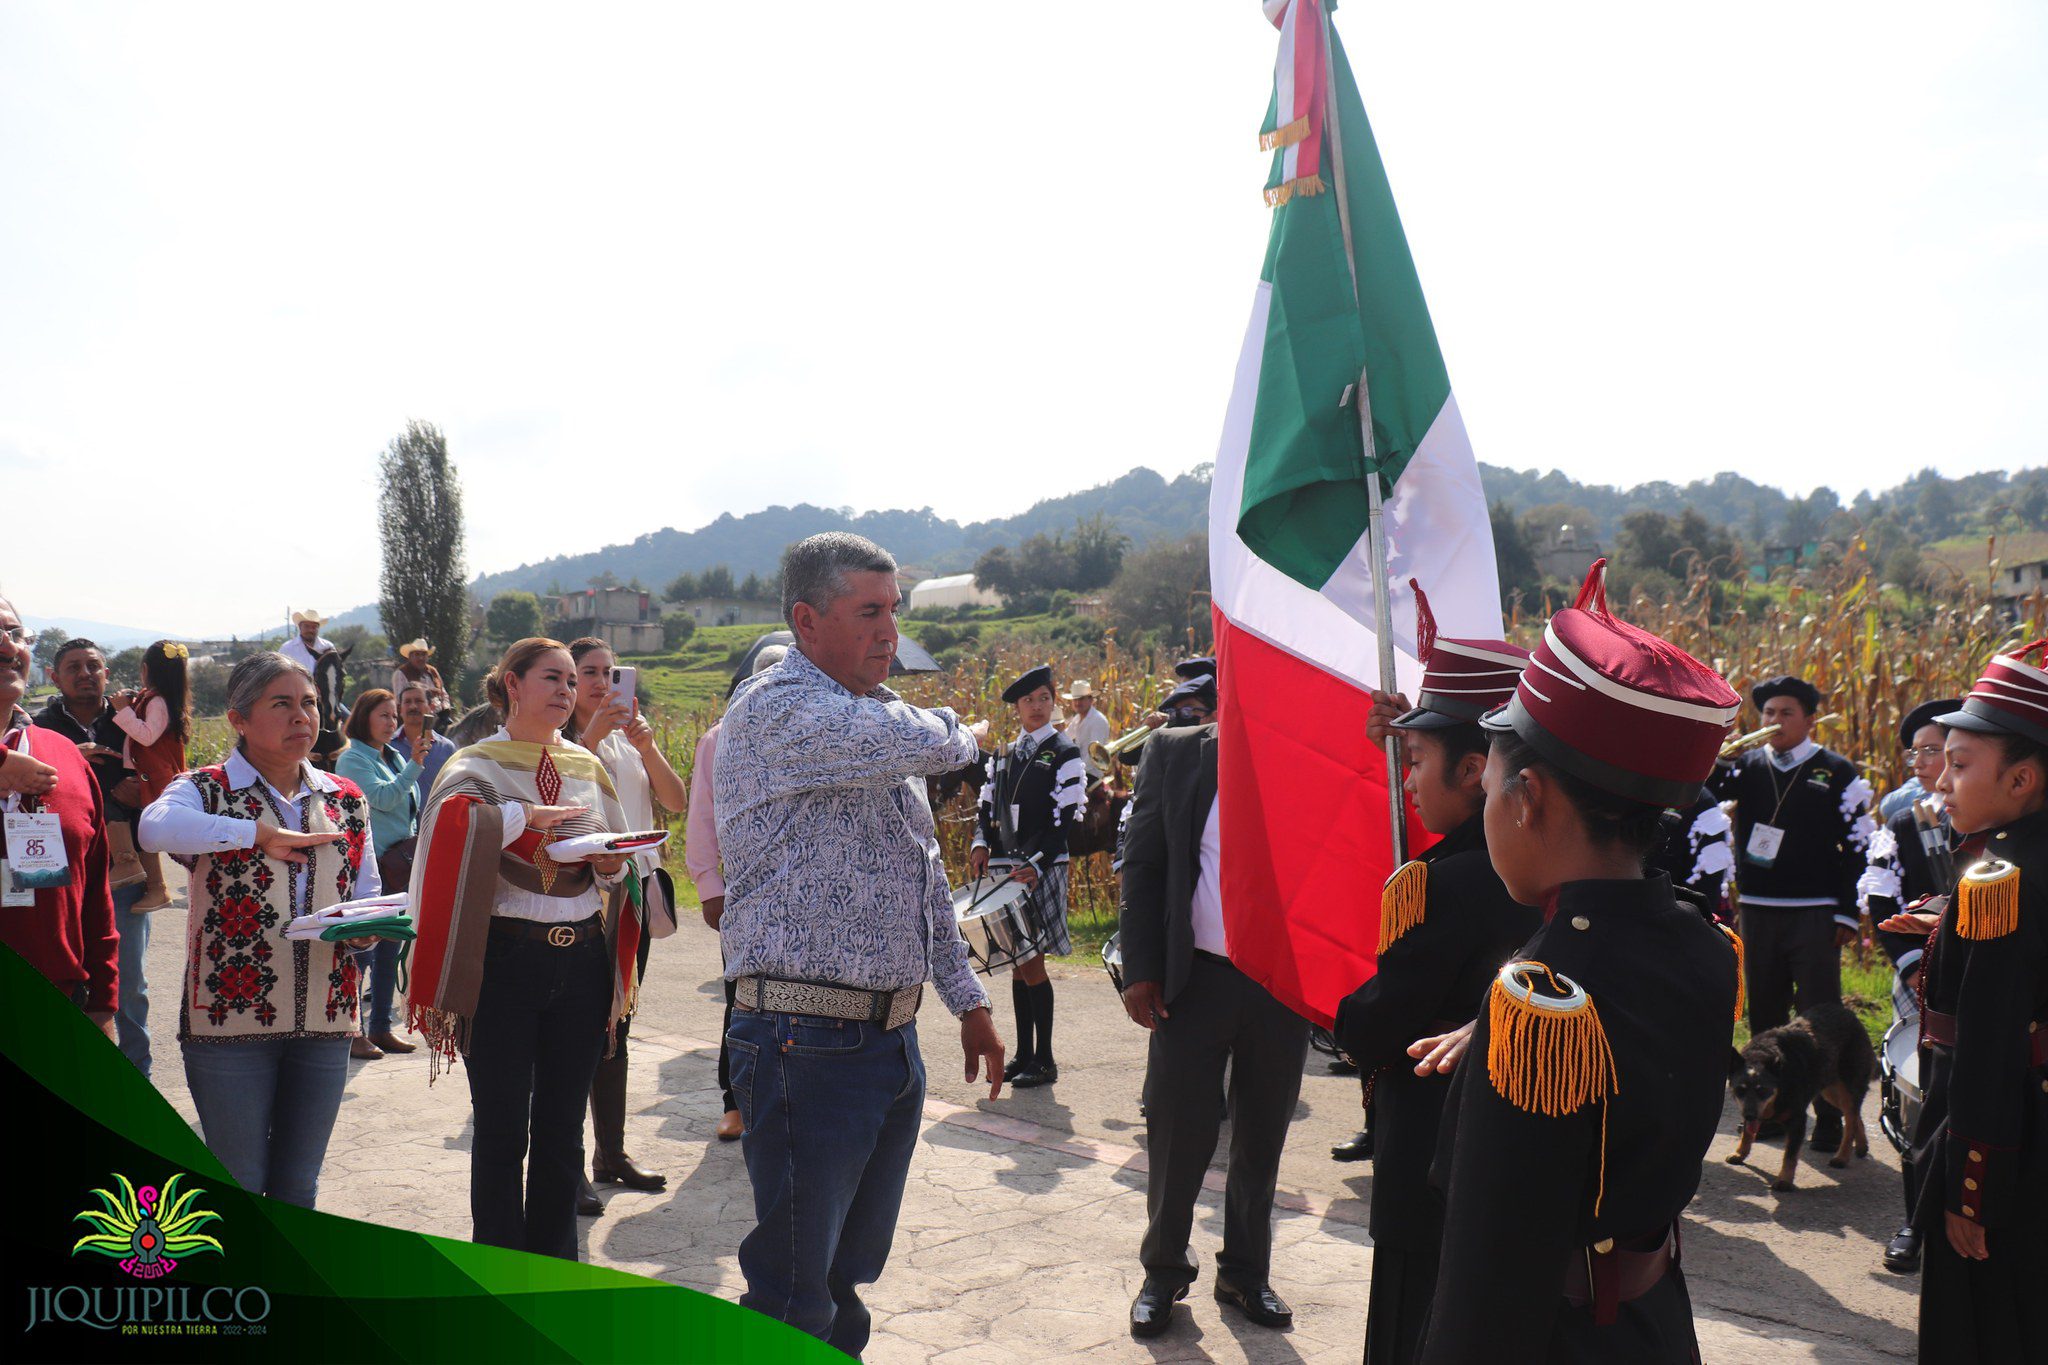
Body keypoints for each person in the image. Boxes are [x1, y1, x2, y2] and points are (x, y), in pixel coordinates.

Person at [1412, 560, 1741, 1362]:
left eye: (1490, 786)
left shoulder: (1542, 1002)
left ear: (1526, 798)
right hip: (1652, 1326)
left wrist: (1507, 1026)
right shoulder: (1700, 938)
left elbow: (1486, 1277)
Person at [714, 533, 1004, 1355]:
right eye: (868, 612)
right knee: (794, 1294)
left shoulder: (869, 719)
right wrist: (957, 724)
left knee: (841, 1283)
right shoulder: (779, 708)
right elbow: (941, 741)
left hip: (882, 1040)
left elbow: (921, 875)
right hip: (807, 1043)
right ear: (807, 620)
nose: (889, 631)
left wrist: (968, 1001)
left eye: (895, 610)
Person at [1333, 585, 1540, 1365]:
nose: (1409, 780)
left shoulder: (1444, 882)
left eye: (1417, 761)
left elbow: (1383, 1018)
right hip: (1509, 1177)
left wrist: (1347, 1018)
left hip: (1429, 1157)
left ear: (1476, 770)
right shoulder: (1553, 868)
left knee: (1409, 1328)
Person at [404, 638, 638, 1260]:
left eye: (572, 681)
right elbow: (445, 833)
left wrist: (610, 863)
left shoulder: (589, 767)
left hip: (582, 958)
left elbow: (618, 867)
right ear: (512, 685)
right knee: (504, 1128)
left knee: (562, 1131)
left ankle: (556, 1261)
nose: (566, 691)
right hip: (506, 960)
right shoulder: (473, 766)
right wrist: (521, 817)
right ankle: (500, 1261)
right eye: (551, 679)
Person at [137, 652, 379, 1208]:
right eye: (282, 704)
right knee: (238, 1183)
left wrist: (366, 926)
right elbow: (154, 828)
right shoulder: (203, 789)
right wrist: (254, 834)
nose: (302, 717)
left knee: (298, 1187)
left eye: (310, 703)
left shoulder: (344, 797)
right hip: (229, 1017)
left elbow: (364, 886)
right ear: (239, 720)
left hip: (327, 1009)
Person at [1118, 669, 1310, 1340]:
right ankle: (1163, 1270)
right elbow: (1142, 864)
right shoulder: (1174, 752)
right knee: (1178, 1132)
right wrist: (1140, 970)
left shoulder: (1306, 760)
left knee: (1262, 1133)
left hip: (1280, 983)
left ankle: (1246, 1272)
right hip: (1193, 978)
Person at [1886, 651, 2048, 1363]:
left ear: (2021, 779)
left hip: (2000, 1137)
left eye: (1958, 764)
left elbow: (1986, 1046)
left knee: (1980, 1323)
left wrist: (1969, 1190)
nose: (1941, 784)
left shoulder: (1999, 879)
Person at [565, 636, 690, 1209]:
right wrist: (592, 737)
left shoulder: (626, 739)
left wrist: (647, 746)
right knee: (576, 1032)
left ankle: (609, 1153)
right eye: (587, 672)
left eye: (610, 671)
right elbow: (565, 791)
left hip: (634, 893)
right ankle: (564, 1164)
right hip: (582, 898)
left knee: (618, 1023)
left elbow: (676, 800)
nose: (600, 682)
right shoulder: (559, 742)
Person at [1860, 696, 1961, 1275]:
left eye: (1938, 751)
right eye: (1918, 751)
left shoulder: (2004, 825)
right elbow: (1880, 898)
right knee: (1920, 1099)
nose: (1926, 762)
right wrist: (1912, 966)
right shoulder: (1906, 820)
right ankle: (1913, 1223)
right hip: (1919, 983)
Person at [0, 597, 119, 1042]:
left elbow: (94, 896)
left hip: (56, 1009)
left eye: (15, 634)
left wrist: (104, 1004)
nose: (8, 648)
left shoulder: (64, 754)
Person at [35, 637, 153, 1072]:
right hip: (59, 871)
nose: (85, 674)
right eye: (74, 667)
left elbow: (166, 769)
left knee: (130, 980)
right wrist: (78, 764)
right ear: (54, 677)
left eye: (94, 665)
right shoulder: (37, 729)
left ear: (106, 672)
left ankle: (136, 1076)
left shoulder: (131, 721)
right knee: (58, 969)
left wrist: (143, 788)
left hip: (127, 865)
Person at [967, 664, 1087, 1088]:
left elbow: (1066, 819)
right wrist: (980, 843)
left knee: (1032, 965)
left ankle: (1046, 1060)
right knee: (1018, 966)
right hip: (1005, 868)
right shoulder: (1002, 754)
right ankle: (1024, 1054)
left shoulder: (1065, 751)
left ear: (1054, 702)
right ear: (1017, 708)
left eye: (1044, 699)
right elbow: (986, 808)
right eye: (1028, 701)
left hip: (1040, 870)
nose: (1037, 707)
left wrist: (1036, 862)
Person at [686, 646, 788, 1147]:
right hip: (745, 893)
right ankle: (735, 1100)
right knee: (741, 997)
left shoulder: (812, 735)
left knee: (798, 999)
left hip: (801, 896)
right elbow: (701, 817)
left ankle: (788, 1098)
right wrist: (709, 886)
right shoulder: (719, 739)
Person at [334, 687, 432, 1059]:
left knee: (391, 946)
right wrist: (415, 766)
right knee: (363, 951)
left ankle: (380, 1028)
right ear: (364, 718)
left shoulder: (389, 755)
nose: (393, 723)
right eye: (384, 716)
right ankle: (351, 1032)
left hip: (397, 864)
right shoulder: (352, 760)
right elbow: (385, 798)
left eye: (395, 716)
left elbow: (406, 806)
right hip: (368, 867)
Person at [112, 639, 192, 909]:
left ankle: (155, 884)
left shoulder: (158, 701)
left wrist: (122, 710)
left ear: (146, 669)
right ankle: (155, 885)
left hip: (153, 776)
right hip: (147, 773)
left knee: (148, 830)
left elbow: (146, 736)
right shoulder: (157, 699)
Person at [398, 682, 457, 798]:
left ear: (431, 707)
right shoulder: (387, 747)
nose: (413, 706)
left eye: (419, 701)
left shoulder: (446, 748)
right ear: (400, 709)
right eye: (407, 702)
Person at [1064, 678, 1113, 781]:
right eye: (1075, 699)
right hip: (1080, 773)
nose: (1077, 703)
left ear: (1091, 700)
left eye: (1081, 699)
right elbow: (1064, 739)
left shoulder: (1097, 721)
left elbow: (1094, 756)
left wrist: (1074, 773)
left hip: (1091, 776)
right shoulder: (1077, 719)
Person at [392, 639, 452, 717]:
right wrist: (427, 694)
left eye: (423, 654)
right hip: (413, 716)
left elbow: (443, 694)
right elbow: (399, 700)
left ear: (427, 657)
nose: (421, 658)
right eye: (417, 654)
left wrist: (445, 707)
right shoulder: (401, 673)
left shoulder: (432, 671)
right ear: (410, 657)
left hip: (438, 716)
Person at [279, 609, 334, 675]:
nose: (310, 630)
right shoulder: (287, 649)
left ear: (318, 628)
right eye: (306, 626)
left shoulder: (328, 647)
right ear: (300, 627)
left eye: (314, 627)